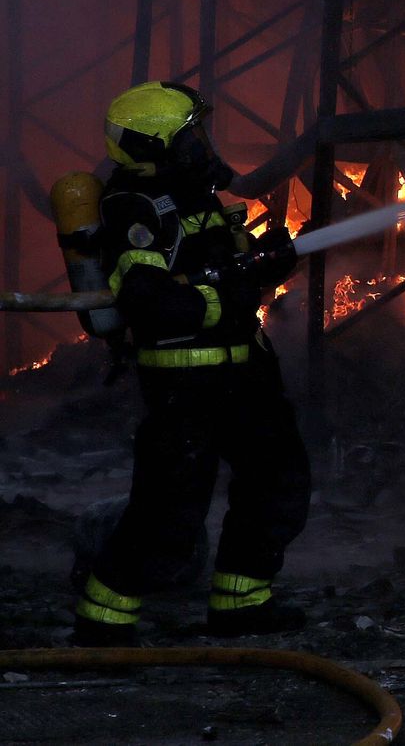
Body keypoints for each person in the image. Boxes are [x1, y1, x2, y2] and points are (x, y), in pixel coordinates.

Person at [72, 81, 307, 645]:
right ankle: (104, 619)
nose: (202, 143)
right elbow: (150, 300)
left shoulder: (195, 193)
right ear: (154, 147)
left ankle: (241, 603)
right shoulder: (132, 206)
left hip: (244, 372)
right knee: (170, 512)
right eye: (189, 135)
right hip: (184, 384)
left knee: (276, 483)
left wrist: (264, 262)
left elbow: (221, 268)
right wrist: (227, 297)